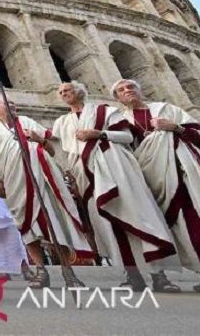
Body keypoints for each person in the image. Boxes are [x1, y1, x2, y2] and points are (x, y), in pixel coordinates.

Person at [50, 81, 178, 292]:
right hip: (86, 175)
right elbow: (62, 153)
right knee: (108, 225)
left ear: (80, 92)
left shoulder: (106, 111)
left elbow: (127, 137)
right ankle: (132, 274)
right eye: (61, 92)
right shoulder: (61, 123)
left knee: (137, 216)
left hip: (117, 167)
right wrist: (68, 175)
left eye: (68, 90)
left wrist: (100, 134)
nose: (64, 94)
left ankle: (158, 275)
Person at [113, 78, 200, 293]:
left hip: (180, 172)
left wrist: (175, 127)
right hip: (148, 176)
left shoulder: (166, 109)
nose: (127, 91)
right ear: (117, 98)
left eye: (131, 87)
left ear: (141, 91)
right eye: (121, 90)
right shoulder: (119, 120)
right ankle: (163, 276)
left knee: (194, 221)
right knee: (162, 227)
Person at [0, 97, 92, 288]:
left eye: (14, 104)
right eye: (6, 105)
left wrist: (39, 139)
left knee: (56, 223)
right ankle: (41, 270)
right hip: (15, 181)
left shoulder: (28, 122)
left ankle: (68, 271)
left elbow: (51, 150)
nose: (12, 106)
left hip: (43, 179)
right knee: (26, 225)